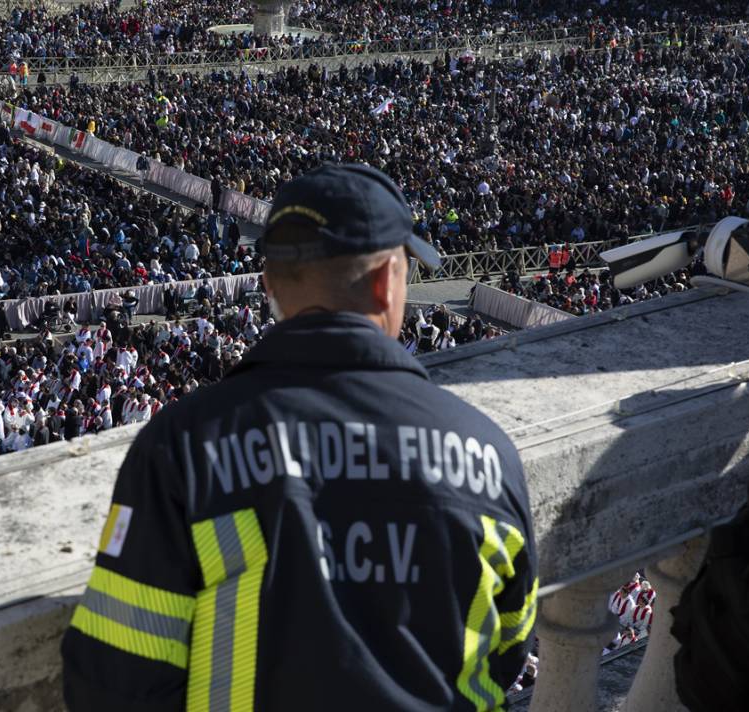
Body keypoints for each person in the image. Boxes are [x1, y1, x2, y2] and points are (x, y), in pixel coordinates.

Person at [61, 164, 538, 710]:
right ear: (387, 281)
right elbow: (508, 650)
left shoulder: (182, 446)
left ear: (268, 284)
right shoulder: (489, 453)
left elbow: (112, 680)